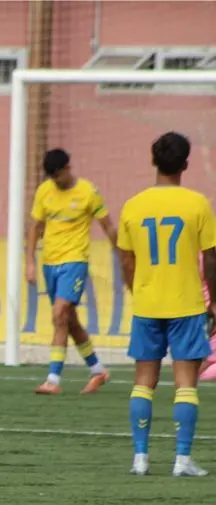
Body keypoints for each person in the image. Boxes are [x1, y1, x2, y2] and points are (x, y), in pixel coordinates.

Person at [116, 131, 216, 477]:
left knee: (144, 380)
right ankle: (182, 460)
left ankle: (140, 458)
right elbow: (211, 256)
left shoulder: (133, 205)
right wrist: (213, 302)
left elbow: (126, 260)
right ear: (185, 164)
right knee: (186, 382)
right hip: (186, 303)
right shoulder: (197, 204)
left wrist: (137, 289)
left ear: (153, 160)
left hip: (147, 304)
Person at [26, 149, 116, 395]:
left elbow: (108, 226)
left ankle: (53, 379)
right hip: (50, 263)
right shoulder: (44, 191)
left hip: (75, 261)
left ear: (68, 168)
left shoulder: (88, 192)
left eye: (58, 176)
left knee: (59, 313)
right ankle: (98, 370)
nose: (56, 181)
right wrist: (30, 263)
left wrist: (123, 254)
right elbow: (35, 227)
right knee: (69, 321)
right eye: (51, 177)